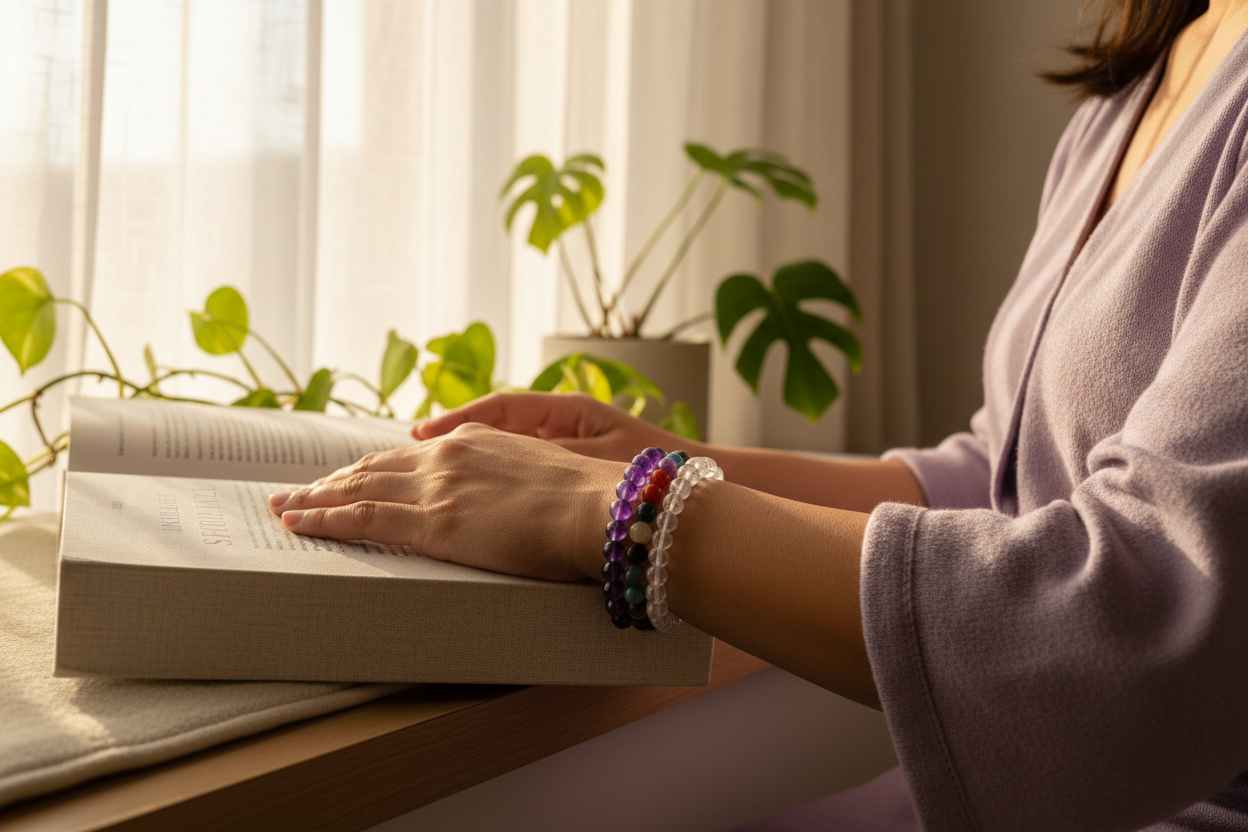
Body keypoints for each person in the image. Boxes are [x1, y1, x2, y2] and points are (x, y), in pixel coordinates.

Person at [268, 0, 1248, 828]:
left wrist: (622, 508)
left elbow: (1144, 619)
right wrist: (678, 458)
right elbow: (1009, 474)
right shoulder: (1145, 76)